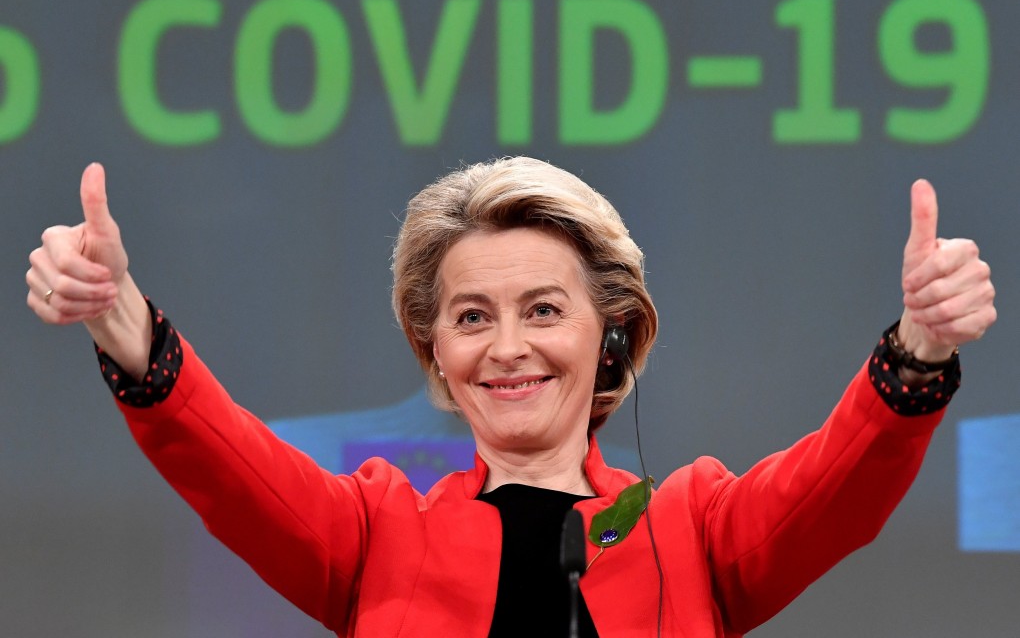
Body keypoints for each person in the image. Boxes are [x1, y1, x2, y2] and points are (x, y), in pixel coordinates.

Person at [26, 157, 996, 637]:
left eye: (542, 308)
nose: (508, 346)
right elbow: (231, 467)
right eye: (472, 317)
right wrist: (120, 317)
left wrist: (921, 344)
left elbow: (839, 484)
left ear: (609, 329)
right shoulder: (374, 531)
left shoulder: (695, 527)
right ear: (438, 354)